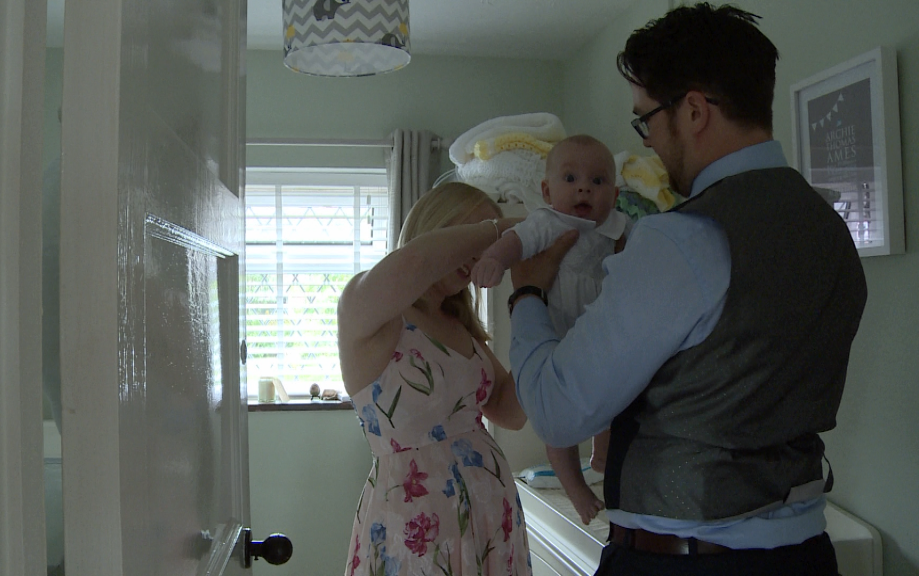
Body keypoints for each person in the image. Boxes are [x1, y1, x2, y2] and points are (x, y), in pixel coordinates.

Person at [507, 4, 867, 576]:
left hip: (684, 558)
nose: (647, 141)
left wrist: (525, 295)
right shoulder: (830, 227)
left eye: (645, 119)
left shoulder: (682, 239)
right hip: (805, 554)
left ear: (694, 110)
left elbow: (556, 410)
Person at [337, 182, 532, 576]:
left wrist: (543, 321)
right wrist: (502, 229)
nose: (478, 253)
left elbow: (511, 412)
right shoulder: (371, 310)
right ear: (436, 229)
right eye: (468, 233)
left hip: (489, 523)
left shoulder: (459, 325)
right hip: (415, 527)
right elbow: (412, 264)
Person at [471, 134, 631, 524]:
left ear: (614, 191)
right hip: (555, 337)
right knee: (556, 420)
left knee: (614, 395)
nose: (584, 188)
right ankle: (575, 489)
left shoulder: (616, 226)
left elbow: (633, 254)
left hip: (595, 335)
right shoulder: (547, 222)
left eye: (598, 181)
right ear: (547, 190)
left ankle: (602, 454)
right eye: (571, 178)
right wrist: (495, 258)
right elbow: (515, 242)